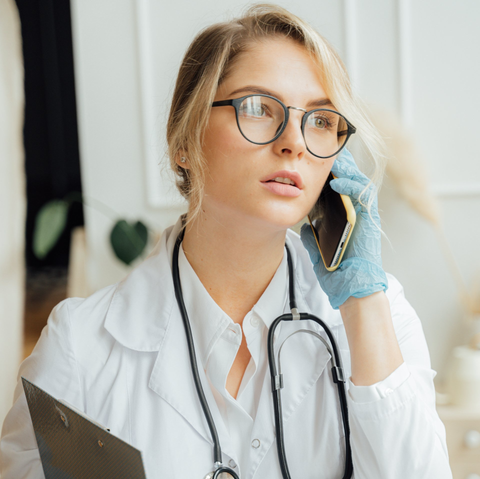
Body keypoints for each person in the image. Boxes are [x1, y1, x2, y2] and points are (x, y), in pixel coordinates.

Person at [0, 4, 452, 478]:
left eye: (320, 119)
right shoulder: (81, 348)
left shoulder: (381, 319)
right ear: (184, 138)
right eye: (258, 108)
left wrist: (362, 306)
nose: (295, 142)